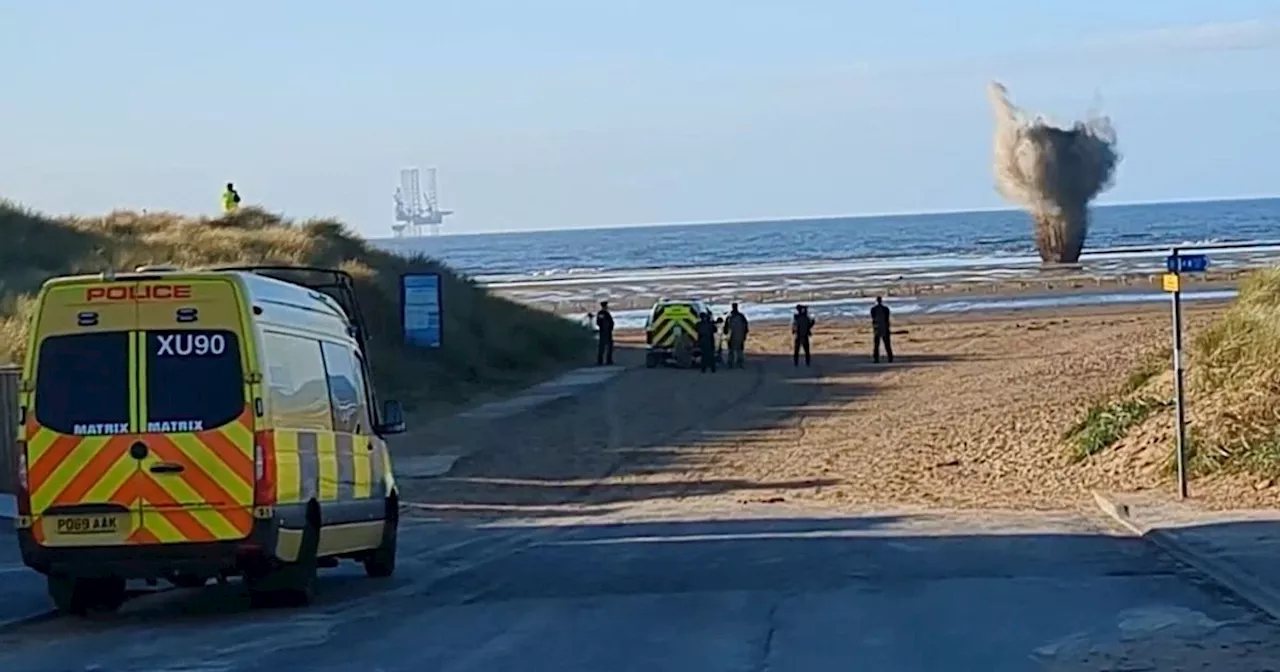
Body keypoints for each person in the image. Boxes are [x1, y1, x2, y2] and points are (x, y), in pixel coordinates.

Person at [723, 302, 749, 369]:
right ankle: (738, 363)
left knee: (733, 350)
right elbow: (745, 326)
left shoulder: (730, 317)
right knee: (738, 350)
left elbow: (725, 328)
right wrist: (745, 334)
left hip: (733, 335)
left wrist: (725, 333)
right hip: (738, 335)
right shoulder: (740, 316)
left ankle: (732, 363)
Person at [870, 296, 894, 363]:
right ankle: (890, 358)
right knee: (887, 344)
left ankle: (876, 359)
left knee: (877, 345)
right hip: (885, 328)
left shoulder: (873, 309)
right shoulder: (885, 309)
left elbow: (873, 318)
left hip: (877, 328)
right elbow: (887, 318)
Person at [595, 301, 614, 366]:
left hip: (607, 331)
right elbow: (599, 322)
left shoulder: (606, 313)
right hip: (604, 332)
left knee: (609, 347)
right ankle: (601, 360)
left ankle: (608, 360)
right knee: (603, 347)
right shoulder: (601, 313)